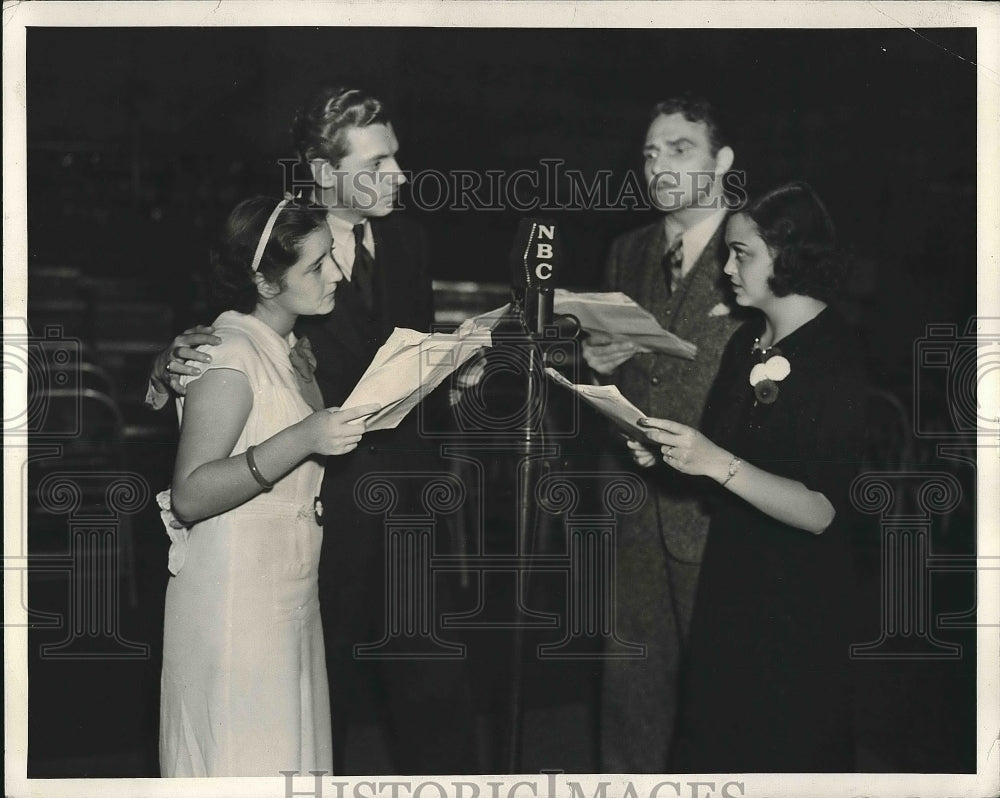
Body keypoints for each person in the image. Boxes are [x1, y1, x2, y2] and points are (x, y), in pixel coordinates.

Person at [149, 87, 477, 775]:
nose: (399, 177)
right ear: (325, 174)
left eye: (397, 159)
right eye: (378, 163)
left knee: (435, 695)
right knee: (300, 712)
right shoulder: (276, 244)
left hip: (410, 508)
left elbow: (402, 359)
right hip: (316, 520)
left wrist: (454, 372)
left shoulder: (409, 241)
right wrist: (167, 363)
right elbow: (216, 344)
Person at [631, 182, 864, 771]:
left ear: (789, 256)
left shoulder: (837, 355)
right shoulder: (746, 341)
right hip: (732, 582)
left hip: (796, 604)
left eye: (741, 254)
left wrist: (716, 461)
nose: (725, 267)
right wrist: (670, 456)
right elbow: (722, 466)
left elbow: (821, 511)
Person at [158, 195, 380, 777]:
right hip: (236, 606)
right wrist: (304, 436)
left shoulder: (285, 349)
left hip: (285, 598)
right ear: (264, 280)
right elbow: (190, 493)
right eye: (315, 266)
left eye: (331, 256)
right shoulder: (229, 351)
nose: (335, 274)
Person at [581, 96, 744, 771]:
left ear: (722, 162)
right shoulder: (629, 249)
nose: (659, 165)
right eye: (651, 152)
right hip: (631, 506)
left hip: (714, 508)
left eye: (680, 149)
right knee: (630, 694)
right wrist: (595, 364)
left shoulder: (756, 246)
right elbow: (622, 368)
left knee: (723, 698)